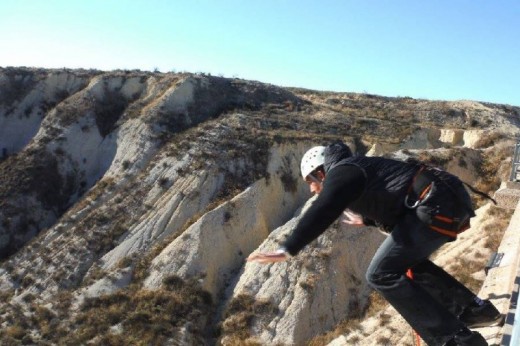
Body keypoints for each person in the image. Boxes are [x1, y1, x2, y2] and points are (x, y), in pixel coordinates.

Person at [247, 141, 502, 346]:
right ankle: (475, 310)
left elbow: (324, 207)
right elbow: (393, 196)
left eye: (312, 182)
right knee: (405, 262)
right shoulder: (355, 171)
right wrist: (367, 220)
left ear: (320, 171)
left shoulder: (343, 170)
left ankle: (457, 340)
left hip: (435, 205)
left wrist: (288, 248)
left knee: (380, 274)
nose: (313, 189)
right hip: (444, 203)